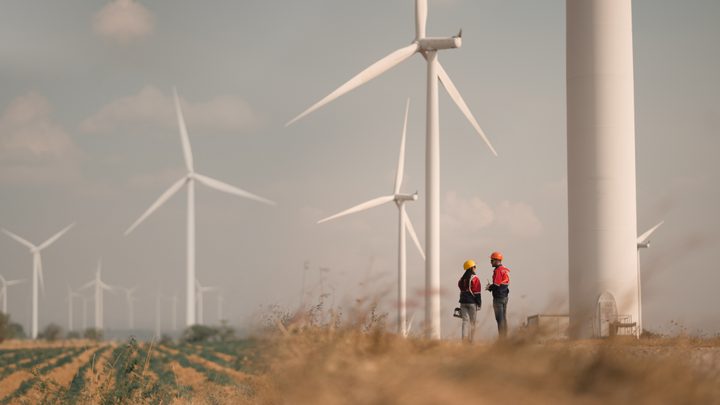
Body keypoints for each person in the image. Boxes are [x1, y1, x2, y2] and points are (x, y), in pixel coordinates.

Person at [486, 251, 510, 338]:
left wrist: (489, 287)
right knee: (504, 319)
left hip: (498, 298)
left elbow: (496, 285)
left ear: (496, 260)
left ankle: (502, 340)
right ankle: (505, 338)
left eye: (492, 260)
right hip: (505, 297)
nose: (490, 262)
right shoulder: (505, 269)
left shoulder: (498, 270)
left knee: (499, 319)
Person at [458, 259, 482, 342]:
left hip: (462, 303)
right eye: (475, 266)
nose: (475, 268)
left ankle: (464, 340)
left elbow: (461, 289)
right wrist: (479, 303)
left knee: (465, 321)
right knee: (473, 322)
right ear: (472, 267)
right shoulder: (474, 278)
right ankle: (472, 341)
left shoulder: (461, 280)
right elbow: (477, 292)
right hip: (472, 303)